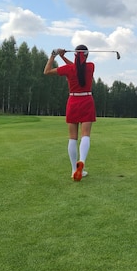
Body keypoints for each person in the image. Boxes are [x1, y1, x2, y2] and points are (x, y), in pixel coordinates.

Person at [44, 45, 96, 181]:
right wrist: (62, 57)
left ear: (75, 55)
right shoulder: (91, 66)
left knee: (73, 137)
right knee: (86, 135)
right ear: (86, 56)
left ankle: (74, 170)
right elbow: (78, 68)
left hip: (73, 101)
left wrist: (54, 54)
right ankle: (81, 163)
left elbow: (47, 71)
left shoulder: (69, 69)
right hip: (86, 100)